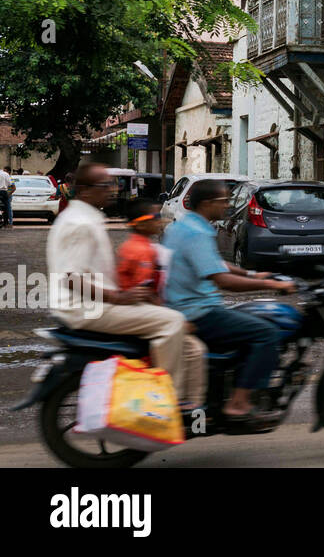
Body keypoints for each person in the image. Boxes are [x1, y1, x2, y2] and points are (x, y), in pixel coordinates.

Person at [46, 163, 194, 401]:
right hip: (88, 309)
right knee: (172, 321)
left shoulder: (82, 217)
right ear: (84, 190)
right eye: (105, 185)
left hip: (91, 304)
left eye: (113, 184)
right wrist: (118, 297)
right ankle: (165, 401)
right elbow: (71, 277)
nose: (113, 190)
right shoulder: (80, 223)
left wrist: (130, 293)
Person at [164, 179, 294, 424]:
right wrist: (272, 285)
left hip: (182, 305)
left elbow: (214, 263)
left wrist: (253, 274)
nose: (227, 205)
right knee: (266, 333)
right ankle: (239, 404)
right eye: (224, 201)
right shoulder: (198, 233)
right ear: (207, 204)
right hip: (197, 311)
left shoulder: (183, 226)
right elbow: (222, 280)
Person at [116, 198, 207, 410]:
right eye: (154, 217)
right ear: (139, 223)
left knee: (196, 349)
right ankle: (176, 402)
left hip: (143, 309)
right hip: (142, 312)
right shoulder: (140, 251)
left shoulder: (143, 246)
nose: (160, 221)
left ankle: (190, 404)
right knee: (195, 350)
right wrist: (175, 318)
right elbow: (146, 292)